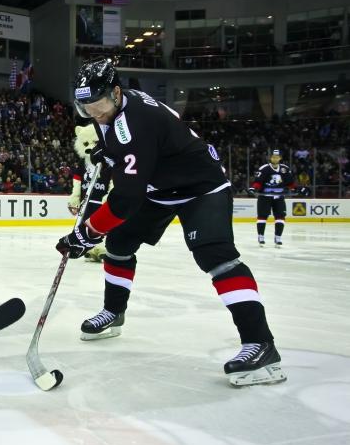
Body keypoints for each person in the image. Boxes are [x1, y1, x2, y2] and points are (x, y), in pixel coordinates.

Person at [56, 59, 285, 387]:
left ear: (116, 92)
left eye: (99, 105)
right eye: (85, 108)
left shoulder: (134, 121)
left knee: (215, 256)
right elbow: (127, 150)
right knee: (119, 243)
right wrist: (108, 155)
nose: (94, 114)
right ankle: (114, 312)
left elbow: (124, 200)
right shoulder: (113, 108)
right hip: (160, 187)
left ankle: (261, 344)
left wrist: (86, 233)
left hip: (201, 188)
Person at [66, 123, 111, 263]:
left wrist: (110, 194)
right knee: (85, 225)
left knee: (102, 225)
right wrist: (75, 197)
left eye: (95, 142)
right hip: (87, 202)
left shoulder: (108, 162)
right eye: (86, 143)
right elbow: (78, 179)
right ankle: (90, 249)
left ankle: (103, 248)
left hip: (101, 201)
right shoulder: (83, 162)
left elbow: (113, 180)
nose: (90, 146)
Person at [250, 149, 295, 247]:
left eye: (277, 157)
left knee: (280, 217)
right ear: (270, 158)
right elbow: (258, 182)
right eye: (273, 157)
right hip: (265, 197)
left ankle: (278, 237)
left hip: (279, 197)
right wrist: (253, 188)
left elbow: (290, 183)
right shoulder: (264, 168)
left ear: (280, 158)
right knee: (262, 216)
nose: (275, 158)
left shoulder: (285, 169)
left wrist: (297, 189)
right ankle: (261, 236)